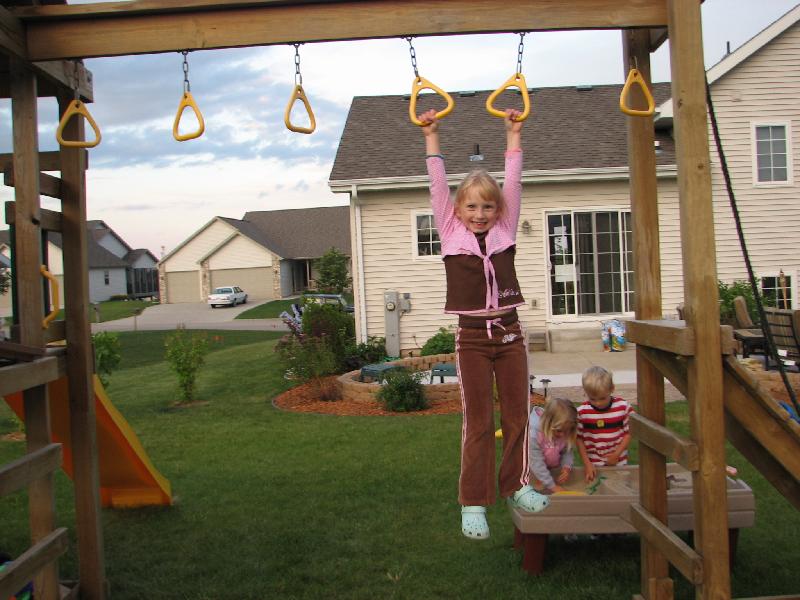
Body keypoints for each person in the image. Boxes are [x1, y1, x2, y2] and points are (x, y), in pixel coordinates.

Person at [418, 106, 549, 541]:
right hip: (472, 338)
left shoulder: (505, 229)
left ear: (498, 209)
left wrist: (514, 135)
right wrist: (431, 137)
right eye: (472, 206)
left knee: (517, 415)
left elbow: (514, 181)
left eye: (488, 206)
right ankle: (473, 502)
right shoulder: (450, 231)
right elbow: (437, 184)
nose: (480, 213)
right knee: (477, 421)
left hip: (510, 333)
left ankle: (517, 485)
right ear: (458, 209)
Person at [576, 366, 634, 482]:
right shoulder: (582, 412)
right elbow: (578, 438)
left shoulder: (623, 407)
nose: (598, 403)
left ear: (612, 388)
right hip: (594, 465)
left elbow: (630, 432)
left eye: (602, 398)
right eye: (592, 399)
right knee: (596, 488)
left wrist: (616, 455)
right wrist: (587, 463)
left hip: (618, 461)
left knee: (619, 487)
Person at [528, 397, 578, 493]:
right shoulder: (534, 434)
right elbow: (537, 463)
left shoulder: (564, 429)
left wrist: (566, 467)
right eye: (559, 431)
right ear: (548, 423)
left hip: (551, 469)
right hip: (532, 469)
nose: (562, 435)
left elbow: (567, 451)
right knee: (535, 491)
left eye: (567, 431)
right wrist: (552, 486)